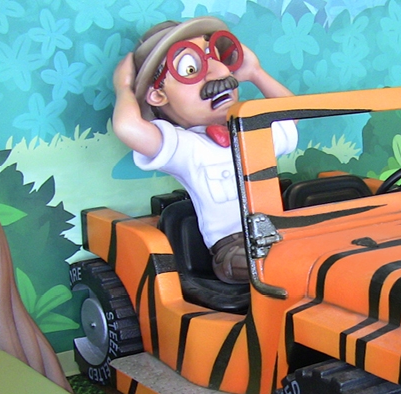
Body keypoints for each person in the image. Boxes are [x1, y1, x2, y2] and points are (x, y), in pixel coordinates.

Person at [112, 17, 298, 283]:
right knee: (289, 265)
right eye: (190, 68)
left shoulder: (251, 133)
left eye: (216, 57)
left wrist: (255, 72)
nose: (220, 72)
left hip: (284, 235)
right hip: (236, 249)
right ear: (158, 95)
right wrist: (124, 89)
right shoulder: (186, 147)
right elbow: (128, 128)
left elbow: (293, 113)